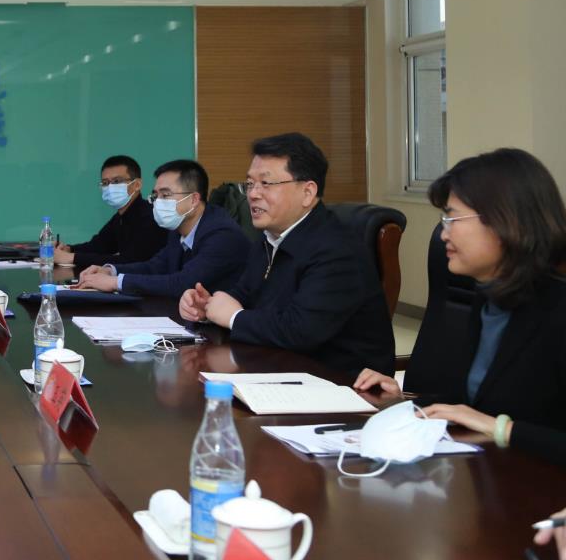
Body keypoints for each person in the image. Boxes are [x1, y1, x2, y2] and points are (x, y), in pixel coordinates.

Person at [353, 148, 566, 465]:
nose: (443, 234)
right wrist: (403, 399)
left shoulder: (557, 310)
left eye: (452, 218)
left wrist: (503, 429)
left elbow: (495, 418)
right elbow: (475, 400)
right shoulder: (489, 298)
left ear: (505, 221)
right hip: (494, 473)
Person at [179, 132, 395, 377]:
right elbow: (245, 293)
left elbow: (300, 331)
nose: (253, 194)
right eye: (249, 184)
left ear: (307, 192)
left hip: (339, 383)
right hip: (280, 368)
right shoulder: (269, 238)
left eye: (266, 183)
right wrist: (207, 307)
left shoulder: (337, 250)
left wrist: (234, 318)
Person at [75, 159, 248, 297]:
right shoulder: (178, 227)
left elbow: (183, 283)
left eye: (165, 195)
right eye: (155, 195)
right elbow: (155, 267)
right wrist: (110, 270)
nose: (157, 202)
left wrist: (116, 282)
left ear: (194, 200)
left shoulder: (222, 235)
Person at [54, 155, 168, 269]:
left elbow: (130, 261)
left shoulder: (150, 216)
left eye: (117, 181)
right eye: (105, 183)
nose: (110, 187)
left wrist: (72, 257)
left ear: (137, 185)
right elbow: (98, 246)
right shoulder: (121, 217)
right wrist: (69, 249)